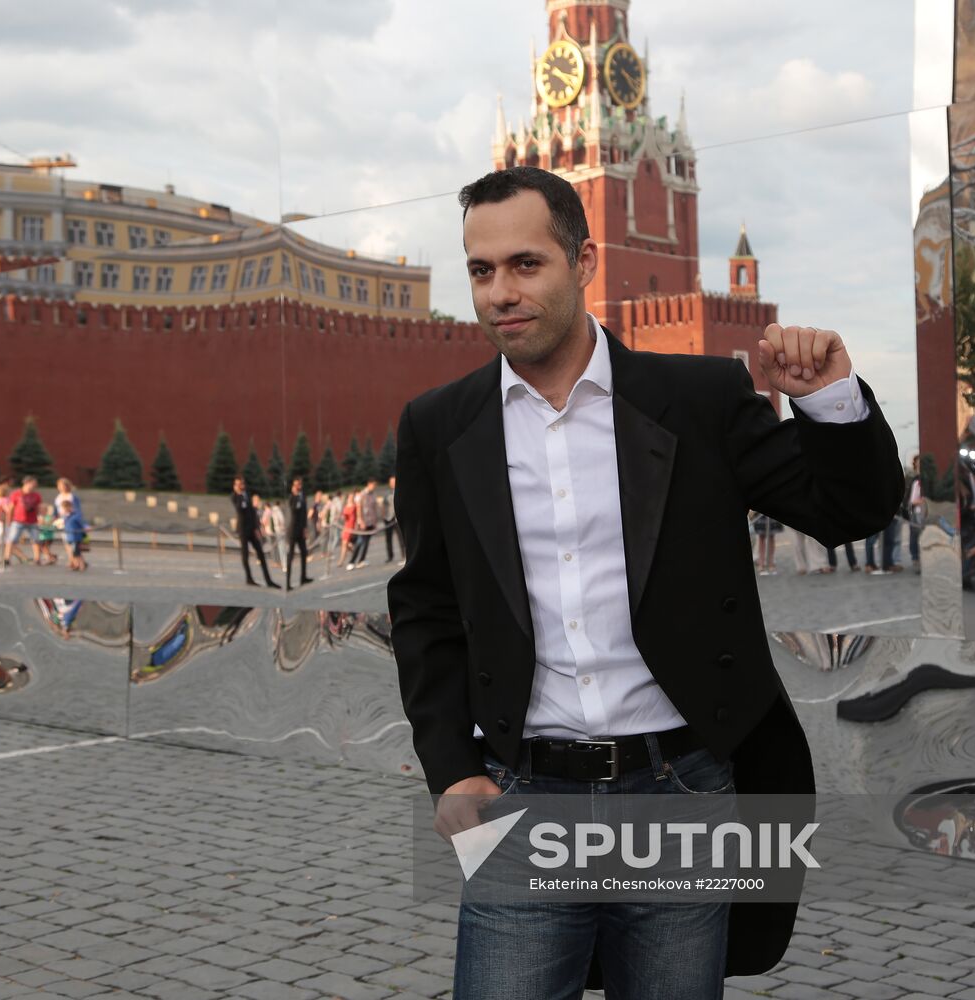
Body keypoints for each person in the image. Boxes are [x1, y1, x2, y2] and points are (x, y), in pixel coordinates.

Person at [385, 166, 903, 998]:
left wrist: (832, 401)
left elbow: (851, 510)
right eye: (481, 271)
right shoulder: (441, 425)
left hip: (683, 790)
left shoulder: (695, 399)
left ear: (584, 260)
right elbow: (425, 608)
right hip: (523, 799)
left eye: (526, 264)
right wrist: (451, 769)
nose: (499, 292)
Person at [230, 476, 279, 588]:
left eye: (242, 484)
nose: (241, 486)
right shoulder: (234, 497)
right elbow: (239, 509)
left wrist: (256, 528)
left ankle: (269, 580)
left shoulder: (247, 494)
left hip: (252, 529)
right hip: (243, 530)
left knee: (261, 554)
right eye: (238, 484)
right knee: (245, 554)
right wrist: (239, 494)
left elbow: (252, 512)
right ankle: (249, 578)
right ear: (235, 486)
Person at [4, 476, 42, 566]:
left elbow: (38, 508)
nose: (35, 485)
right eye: (33, 483)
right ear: (27, 483)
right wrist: (9, 520)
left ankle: (37, 559)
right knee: (12, 539)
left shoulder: (36, 495)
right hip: (18, 521)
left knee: (36, 539)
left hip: (32, 521)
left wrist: (40, 517)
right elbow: (11, 508)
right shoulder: (16, 494)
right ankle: (7, 558)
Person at [285, 477, 314, 590]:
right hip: (293, 531)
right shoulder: (292, 497)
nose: (299, 486)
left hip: (301, 530)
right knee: (291, 556)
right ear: (293, 486)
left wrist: (305, 528)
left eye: (300, 484)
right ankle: (287, 583)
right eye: (297, 485)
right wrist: (296, 495)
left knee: (304, 554)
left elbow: (303, 513)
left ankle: (303, 578)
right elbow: (294, 510)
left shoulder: (303, 496)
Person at [58, 498, 88, 571]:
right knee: (75, 551)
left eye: (64, 508)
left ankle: (81, 565)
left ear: (69, 507)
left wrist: (86, 528)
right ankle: (78, 564)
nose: (63, 510)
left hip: (76, 537)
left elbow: (82, 523)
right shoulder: (66, 516)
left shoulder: (75, 515)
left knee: (76, 552)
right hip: (70, 536)